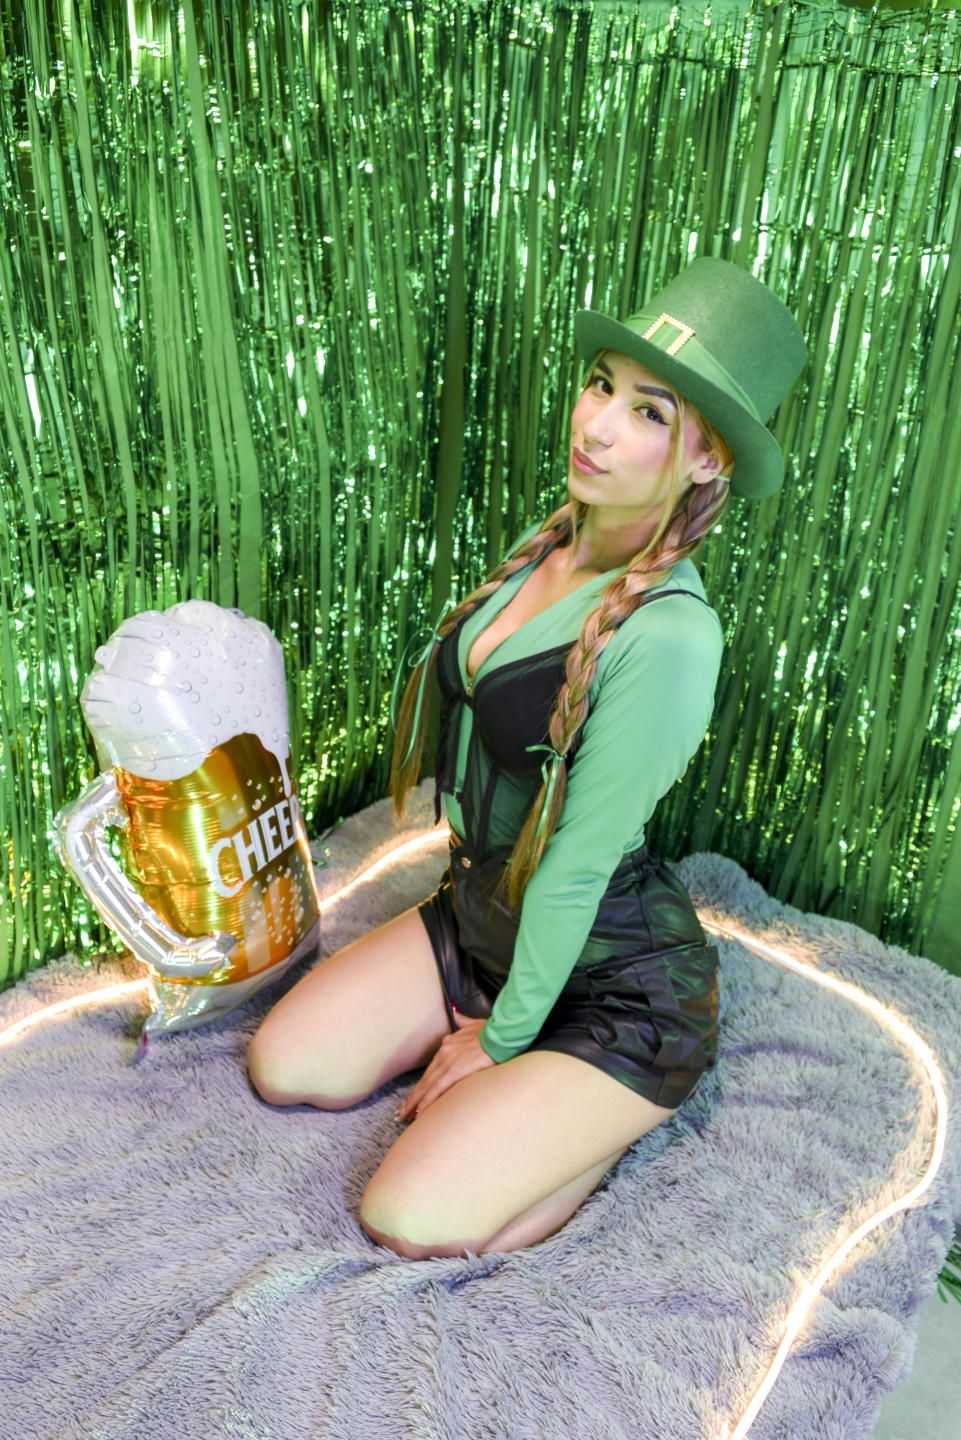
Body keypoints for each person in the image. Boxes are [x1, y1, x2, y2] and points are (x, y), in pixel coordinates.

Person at [247, 256, 807, 1260]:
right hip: (481, 922)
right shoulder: (549, 544)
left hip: (612, 981)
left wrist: (503, 1040)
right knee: (286, 1067)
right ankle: (524, 1075)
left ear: (707, 460)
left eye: (647, 412)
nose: (596, 425)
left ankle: (605, 1114)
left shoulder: (672, 638)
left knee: (406, 1217)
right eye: (601, 385)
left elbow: (578, 863)